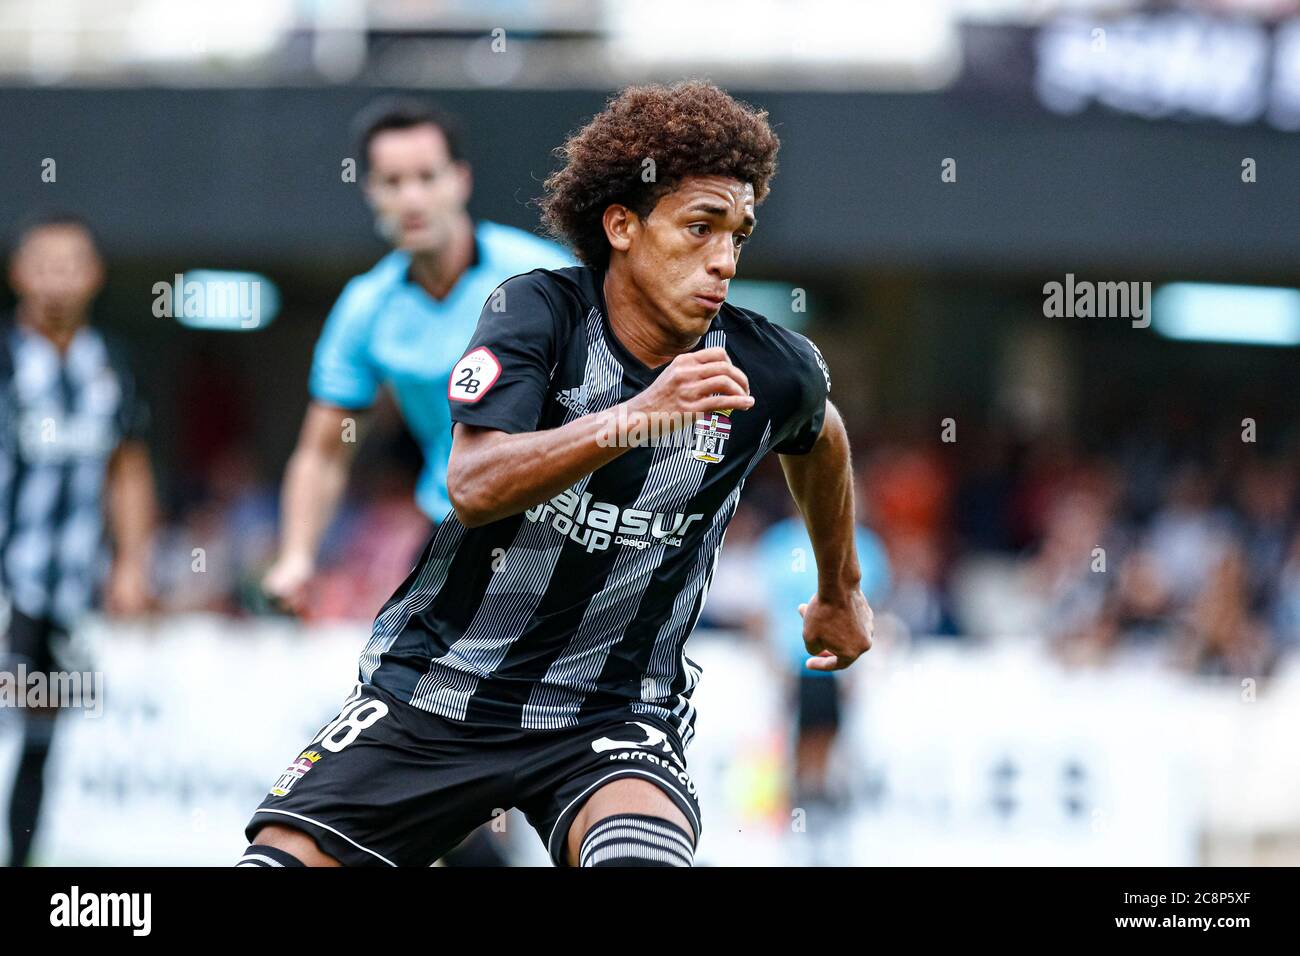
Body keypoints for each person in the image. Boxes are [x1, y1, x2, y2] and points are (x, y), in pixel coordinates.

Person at [239, 81, 873, 868]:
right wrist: (636, 417)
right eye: (700, 228)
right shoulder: (531, 308)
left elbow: (821, 434)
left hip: (612, 712)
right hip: (442, 685)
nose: (724, 260)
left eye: (738, 234)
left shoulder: (769, 366)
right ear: (621, 227)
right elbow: (469, 486)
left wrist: (840, 590)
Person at [261, 98, 572, 615]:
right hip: (454, 528)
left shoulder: (545, 277)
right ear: (370, 192)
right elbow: (323, 451)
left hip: (568, 528)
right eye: (392, 181)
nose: (412, 198)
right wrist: (296, 557)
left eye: (427, 177)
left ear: (461, 180)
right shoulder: (365, 307)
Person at [0, 213, 156, 866]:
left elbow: (128, 466)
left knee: (42, 739)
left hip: (66, 594)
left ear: (94, 276)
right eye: (44, 264)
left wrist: (131, 565)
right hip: (6, 585)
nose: (57, 280)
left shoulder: (108, 363)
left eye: (71, 265)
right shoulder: (7, 361)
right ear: (17, 274)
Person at [754, 507, 889, 864]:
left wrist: (861, 665)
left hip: (833, 667)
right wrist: (769, 657)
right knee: (791, 747)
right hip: (793, 663)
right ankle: (796, 826)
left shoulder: (862, 543)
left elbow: (872, 609)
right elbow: (762, 606)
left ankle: (816, 827)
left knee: (827, 747)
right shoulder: (780, 543)